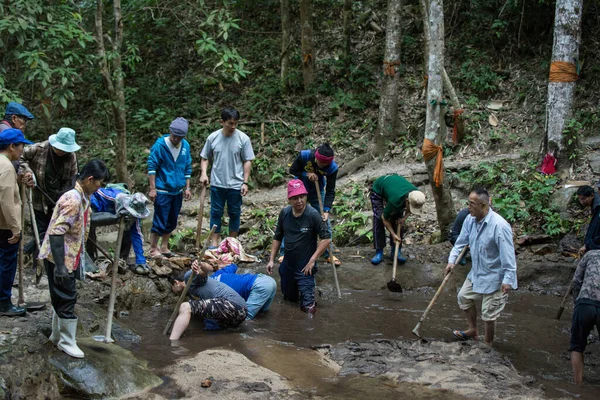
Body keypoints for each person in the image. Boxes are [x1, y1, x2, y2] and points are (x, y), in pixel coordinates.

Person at [39, 160, 110, 358]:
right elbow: (56, 233)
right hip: (59, 256)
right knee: (67, 295)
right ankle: (67, 341)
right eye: (99, 183)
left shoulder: (82, 196)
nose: (99, 188)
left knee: (61, 295)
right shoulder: (73, 200)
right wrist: (60, 266)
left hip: (69, 254)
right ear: (90, 179)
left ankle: (56, 335)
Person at [445, 188, 517, 346]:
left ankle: (487, 344)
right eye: (468, 203)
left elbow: (508, 255)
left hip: (495, 276)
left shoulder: (499, 226)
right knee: (463, 297)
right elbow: (461, 243)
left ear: (483, 205)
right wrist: (452, 261)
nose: (468, 207)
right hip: (477, 272)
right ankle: (473, 330)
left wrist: (508, 280)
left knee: (488, 314)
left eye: (471, 204)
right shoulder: (470, 220)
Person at [266, 179, 331, 314]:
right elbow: (278, 237)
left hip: (305, 266)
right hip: (288, 264)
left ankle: (309, 295)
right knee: (289, 300)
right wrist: (272, 260)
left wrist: (313, 260)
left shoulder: (312, 215)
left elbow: (326, 239)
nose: (299, 201)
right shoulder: (285, 213)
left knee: (309, 309)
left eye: (302, 197)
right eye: (295, 198)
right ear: (290, 199)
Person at [19, 127, 80, 259]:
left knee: (53, 231)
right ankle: (39, 262)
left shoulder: (71, 156)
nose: (62, 151)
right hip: (39, 197)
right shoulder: (39, 149)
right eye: (60, 148)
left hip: (59, 199)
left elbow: (73, 178)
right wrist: (27, 172)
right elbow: (20, 157)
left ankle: (37, 255)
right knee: (41, 231)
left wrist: (65, 196)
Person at [200, 107, 255, 248]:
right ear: (222, 122)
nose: (233, 126)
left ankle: (232, 243)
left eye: (236, 123)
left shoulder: (243, 139)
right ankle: (214, 243)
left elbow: (247, 160)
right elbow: (205, 157)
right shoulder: (213, 138)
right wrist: (204, 173)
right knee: (216, 213)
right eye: (230, 123)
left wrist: (245, 182)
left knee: (235, 213)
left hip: (236, 184)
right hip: (217, 182)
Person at [286, 143, 340, 266]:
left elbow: (331, 190)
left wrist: (326, 210)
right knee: (292, 217)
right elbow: (293, 170)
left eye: (324, 165)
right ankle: (285, 252)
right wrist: (307, 174)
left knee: (324, 220)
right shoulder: (305, 155)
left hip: (317, 190)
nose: (320, 165)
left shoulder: (332, 168)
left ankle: (328, 253)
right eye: (319, 162)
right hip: (299, 188)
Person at [148, 117, 192, 258]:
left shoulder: (185, 146)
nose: (176, 139)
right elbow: (152, 167)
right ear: (170, 132)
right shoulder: (160, 146)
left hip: (177, 190)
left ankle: (164, 246)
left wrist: (187, 188)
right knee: (160, 219)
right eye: (174, 136)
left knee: (172, 219)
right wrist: (152, 188)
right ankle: (153, 248)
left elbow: (187, 167)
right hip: (163, 189)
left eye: (179, 137)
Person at [0, 128, 33, 317]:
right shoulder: (6, 167)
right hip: (4, 225)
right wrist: (15, 228)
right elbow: (5, 199)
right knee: (7, 263)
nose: (22, 150)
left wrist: (18, 180)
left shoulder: (4, 165)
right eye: (21, 146)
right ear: (12, 146)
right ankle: (4, 302)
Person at [170, 260, 247, 340]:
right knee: (210, 328)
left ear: (176, 283)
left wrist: (200, 265)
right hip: (240, 313)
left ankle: (173, 342)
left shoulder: (189, 277)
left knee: (185, 307)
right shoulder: (190, 293)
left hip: (232, 304)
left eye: (171, 289)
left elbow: (206, 271)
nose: (173, 292)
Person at [87, 189, 151, 274]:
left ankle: (121, 260)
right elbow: (94, 192)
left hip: (119, 217)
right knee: (89, 228)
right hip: (98, 211)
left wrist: (141, 260)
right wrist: (94, 207)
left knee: (129, 230)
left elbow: (137, 236)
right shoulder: (110, 196)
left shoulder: (134, 218)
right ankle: (90, 258)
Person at [369, 174, 426, 265]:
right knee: (379, 219)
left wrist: (403, 218)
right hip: (378, 189)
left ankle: (395, 251)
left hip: (394, 190)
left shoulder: (417, 196)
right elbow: (385, 218)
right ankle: (379, 251)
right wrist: (393, 234)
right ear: (407, 201)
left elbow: (411, 209)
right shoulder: (395, 201)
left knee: (398, 221)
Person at [569, 250, 600, 384]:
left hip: (585, 302)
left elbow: (576, 281)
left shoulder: (590, 254)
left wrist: (577, 302)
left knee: (577, 345)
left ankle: (578, 386)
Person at [208, 262, 276, 320]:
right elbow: (233, 266)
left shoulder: (215, 291)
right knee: (262, 314)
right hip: (268, 280)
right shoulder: (218, 274)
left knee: (245, 318)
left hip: (260, 286)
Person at [576, 185, 600, 257]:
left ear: (592, 196)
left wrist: (589, 245)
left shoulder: (598, 208)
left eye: (583, 199)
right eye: (579, 199)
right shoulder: (595, 206)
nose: (581, 202)